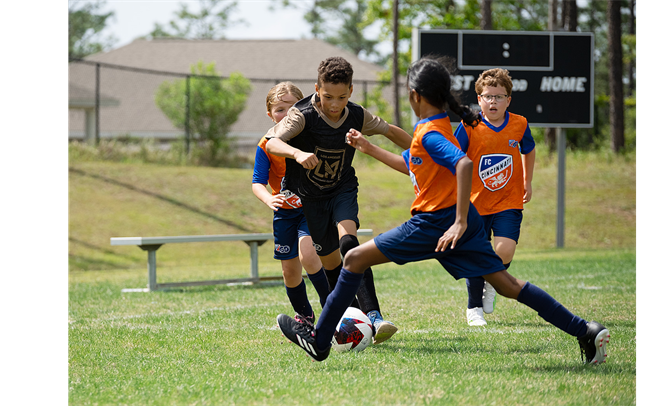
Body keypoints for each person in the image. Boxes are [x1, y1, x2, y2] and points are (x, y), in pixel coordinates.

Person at [276, 57, 610, 365]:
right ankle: (586, 331)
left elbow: (463, 165)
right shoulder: (433, 126)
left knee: (353, 260)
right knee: (508, 285)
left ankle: (320, 341)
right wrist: (368, 147)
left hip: (435, 222)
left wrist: (458, 221)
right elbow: (409, 164)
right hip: (456, 223)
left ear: (414, 95)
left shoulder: (432, 132)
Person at [265, 56, 412, 344]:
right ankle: (352, 319)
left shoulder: (356, 114)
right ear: (317, 88)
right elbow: (272, 142)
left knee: (350, 246)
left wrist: (425, 148)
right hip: (311, 198)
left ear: (351, 91)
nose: (335, 104)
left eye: (342, 97)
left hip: (342, 189)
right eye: (328, 96)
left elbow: (390, 130)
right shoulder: (301, 114)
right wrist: (297, 153)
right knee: (331, 263)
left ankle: (375, 317)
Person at [453, 68, 536, 326]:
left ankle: (491, 282)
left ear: (508, 100)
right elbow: (453, 157)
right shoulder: (469, 126)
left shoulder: (519, 124)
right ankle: (473, 308)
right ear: (479, 99)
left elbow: (529, 150)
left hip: (508, 201)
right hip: (475, 202)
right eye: (488, 96)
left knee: (505, 251)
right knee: (476, 253)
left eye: (499, 97)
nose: (493, 102)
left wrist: (528, 181)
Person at [252, 82, 331, 327]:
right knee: (290, 271)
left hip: (311, 209)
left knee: (308, 255)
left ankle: (333, 309)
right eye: (278, 110)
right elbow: (257, 182)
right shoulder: (266, 144)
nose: (285, 115)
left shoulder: (310, 137)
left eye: (290, 108)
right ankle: (305, 316)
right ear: (269, 114)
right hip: (284, 214)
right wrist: (269, 198)